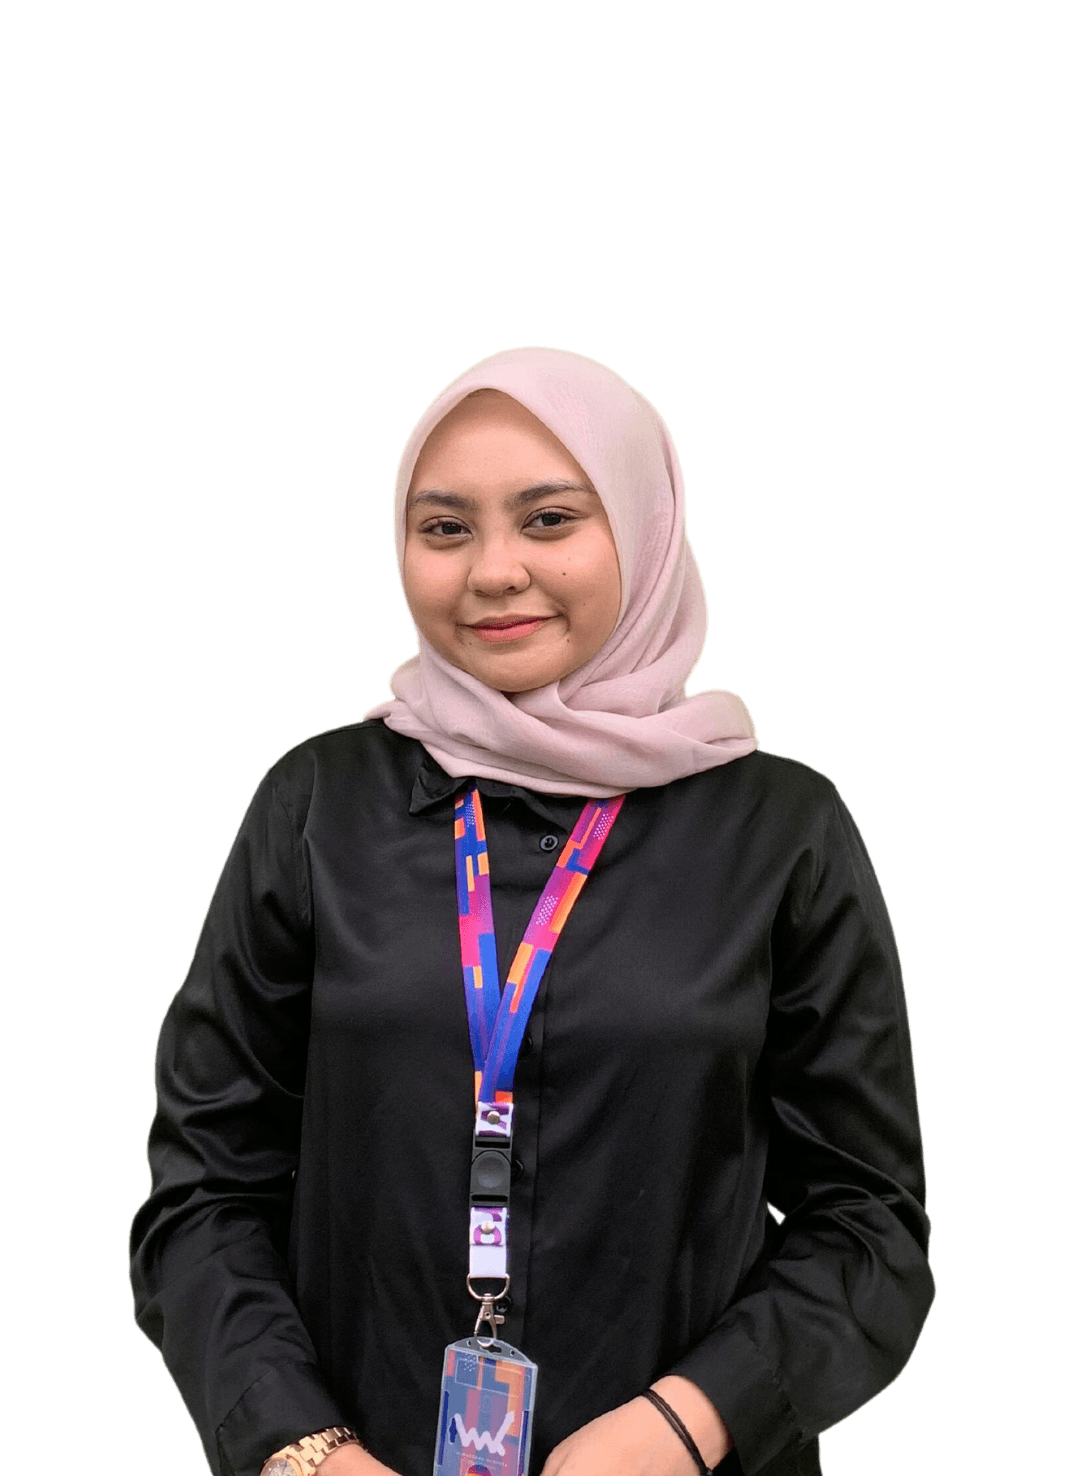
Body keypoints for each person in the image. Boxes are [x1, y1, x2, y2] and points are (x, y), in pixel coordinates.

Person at [129, 346, 935, 1476]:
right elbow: (202, 1196)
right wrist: (302, 1448)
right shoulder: (316, 805)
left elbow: (869, 1227)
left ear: (645, 532)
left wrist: (687, 1426)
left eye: (550, 520)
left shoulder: (781, 828)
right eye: (445, 528)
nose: (493, 571)